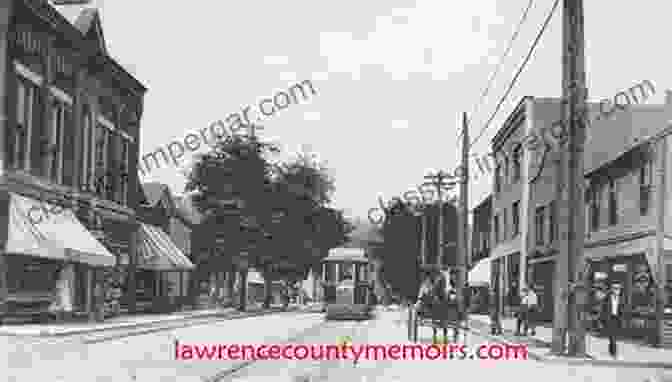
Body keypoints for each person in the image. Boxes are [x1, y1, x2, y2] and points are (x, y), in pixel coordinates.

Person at [601, 283, 625, 358]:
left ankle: (612, 350)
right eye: (615, 288)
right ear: (611, 289)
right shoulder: (607, 298)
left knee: (614, 336)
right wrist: (603, 319)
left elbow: (623, 309)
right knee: (612, 336)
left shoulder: (621, 299)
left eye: (618, 289)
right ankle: (614, 352)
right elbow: (603, 309)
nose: (616, 290)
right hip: (610, 318)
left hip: (617, 318)